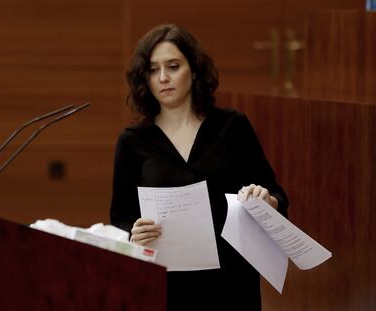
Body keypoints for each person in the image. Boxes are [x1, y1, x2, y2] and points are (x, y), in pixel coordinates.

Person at [110, 23, 289, 310]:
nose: (163, 78)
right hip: (166, 282)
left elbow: (277, 195)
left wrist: (267, 200)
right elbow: (120, 218)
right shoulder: (132, 142)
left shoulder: (233, 126)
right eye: (153, 69)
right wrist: (133, 232)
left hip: (231, 281)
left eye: (173, 66)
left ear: (193, 71)